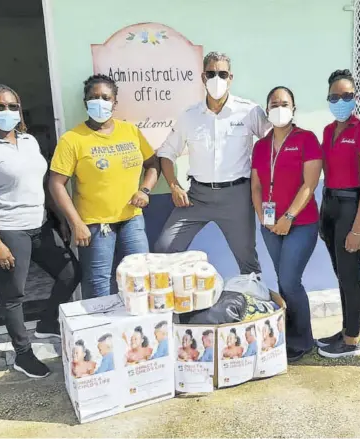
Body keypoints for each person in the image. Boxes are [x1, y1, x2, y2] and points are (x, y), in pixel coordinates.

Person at [0, 84, 81, 379]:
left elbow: (41, 184)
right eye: (0, 107)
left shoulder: (29, 141)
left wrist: (61, 219)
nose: (7, 112)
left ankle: (47, 324)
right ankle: (23, 354)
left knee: (70, 273)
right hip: (8, 231)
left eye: (13, 106)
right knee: (13, 295)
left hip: (40, 225)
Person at [155, 52, 271, 274]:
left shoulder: (249, 111)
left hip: (236, 197)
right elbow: (166, 153)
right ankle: (177, 302)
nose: (217, 78)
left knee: (247, 260)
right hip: (197, 197)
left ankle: (254, 300)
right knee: (165, 248)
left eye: (222, 73)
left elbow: (274, 144)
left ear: (230, 78)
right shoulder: (189, 116)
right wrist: (174, 186)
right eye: (211, 73)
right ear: (203, 77)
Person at [49, 74, 160, 299]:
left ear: (115, 102)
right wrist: (75, 223)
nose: (100, 102)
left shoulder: (130, 131)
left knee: (141, 278)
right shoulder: (73, 139)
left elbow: (152, 164)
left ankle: (139, 329)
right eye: (94, 97)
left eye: (105, 97)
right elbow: (56, 184)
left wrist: (145, 190)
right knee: (99, 284)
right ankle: (101, 331)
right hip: (94, 225)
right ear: (85, 103)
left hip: (132, 219)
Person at [251, 86, 323, 362]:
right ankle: (289, 334)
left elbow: (310, 184)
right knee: (283, 281)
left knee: (290, 281)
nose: (279, 108)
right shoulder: (261, 146)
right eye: (274, 103)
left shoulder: (306, 139)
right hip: (269, 226)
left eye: (285, 103)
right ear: (267, 110)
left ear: (294, 109)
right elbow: (256, 186)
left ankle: (303, 341)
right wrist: (262, 217)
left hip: (301, 223)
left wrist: (288, 217)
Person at [316, 70, 360, 359]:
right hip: (330, 206)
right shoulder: (328, 131)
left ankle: (352, 340)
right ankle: (345, 329)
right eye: (334, 96)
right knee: (341, 273)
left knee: (350, 275)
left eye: (347, 96)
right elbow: (327, 175)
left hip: (352, 207)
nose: (340, 100)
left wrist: (357, 228)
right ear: (328, 98)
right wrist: (323, 215)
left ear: (355, 98)